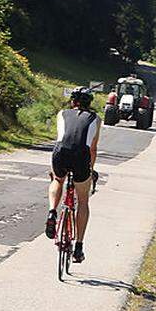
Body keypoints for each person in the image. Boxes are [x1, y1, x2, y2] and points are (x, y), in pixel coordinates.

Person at [44, 87, 99, 263]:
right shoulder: (95, 119)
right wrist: (92, 170)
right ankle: (79, 247)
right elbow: (93, 148)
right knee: (83, 201)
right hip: (81, 156)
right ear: (89, 103)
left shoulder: (62, 114)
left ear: (73, 101)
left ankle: (52, 212)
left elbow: (62, 136)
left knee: (57, 179)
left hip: (60, 152)